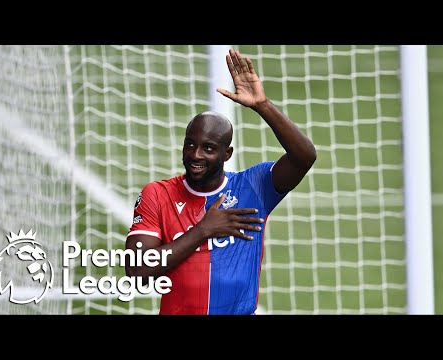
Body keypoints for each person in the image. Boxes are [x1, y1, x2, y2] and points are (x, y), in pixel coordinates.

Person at [125, 48, 316, 315]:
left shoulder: (254, 187)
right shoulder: (158, 194)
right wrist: (202, 230)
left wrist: (263, 105)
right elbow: (137, 270)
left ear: (227, 154)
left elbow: (305, 156)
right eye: (190, 145)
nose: (195, 155)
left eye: (208, 148)